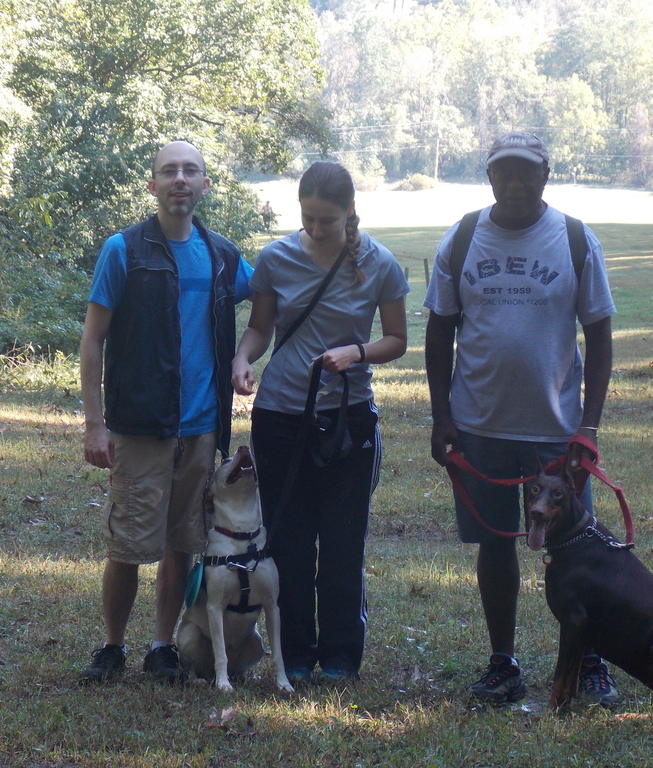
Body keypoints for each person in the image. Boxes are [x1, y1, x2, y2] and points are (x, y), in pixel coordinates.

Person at [423, 131, 617, 705]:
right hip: (478, 424)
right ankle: (503, 664)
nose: (514, 183)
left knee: (580, 547)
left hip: (557, 430)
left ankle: (590, 663)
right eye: (503, 172)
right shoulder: (463, 237)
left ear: (545, 175)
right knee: (494, 543)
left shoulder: (575, 239)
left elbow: (599, 334)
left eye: (525, 172)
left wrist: (590, 425)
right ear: (489, 178)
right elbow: (439, 329)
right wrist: (441, 416)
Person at [78, 140, 253, 685]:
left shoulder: (223, 255)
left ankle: (161, 647)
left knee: (184, 544)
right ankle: (112, 646)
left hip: (201, 428)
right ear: (151, 185)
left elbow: (272, 297)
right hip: (141, 425)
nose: (180, 180)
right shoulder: (124, 250)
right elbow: (92, 340)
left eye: (191, 171)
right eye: (169, 172)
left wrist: (245, 355)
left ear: (205, 185)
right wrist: (94, 423)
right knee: (128, 545)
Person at [231, 161, 409, 683]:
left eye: (326, 220)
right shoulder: (277, 258)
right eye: (307, 217)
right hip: (280, 417)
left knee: (341, 539)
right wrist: (243, 360)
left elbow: (397, 340)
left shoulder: (380, 263)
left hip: (346, 419)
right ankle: (297, 654)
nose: (315, 228)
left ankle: (339, 656)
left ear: (350, 212)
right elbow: (260, 327)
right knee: (288, 538)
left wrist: (356, 351)